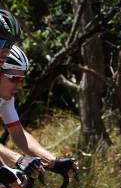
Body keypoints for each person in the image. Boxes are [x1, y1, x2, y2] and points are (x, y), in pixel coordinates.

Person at [0, 45, 77, 180]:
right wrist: (19, 160)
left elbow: (18, 135)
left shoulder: (6, 100)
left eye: (22, 79)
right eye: (14, 79)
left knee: (15, 184)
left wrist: (53, 162)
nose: (19, 86)